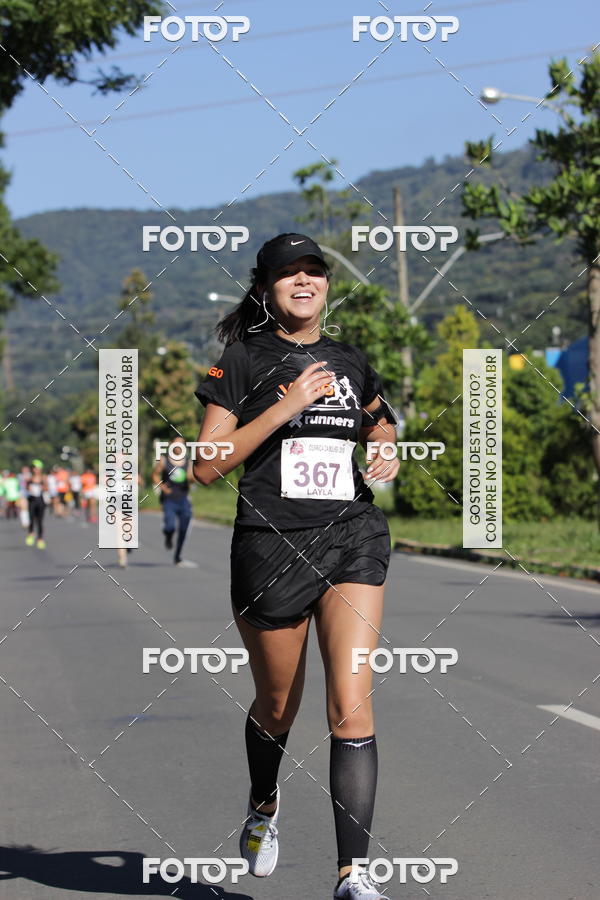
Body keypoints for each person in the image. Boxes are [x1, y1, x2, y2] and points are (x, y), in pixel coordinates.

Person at [193, 233, 400, 900]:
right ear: (267, 287)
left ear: (326, 284)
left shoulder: (349, 360)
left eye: (314, 270)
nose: (304, 280)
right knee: (279, 705)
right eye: (290, 273)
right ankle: (263, 803)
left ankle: (352, 878)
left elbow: (380, 421)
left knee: (351, 703)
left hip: (351, 538)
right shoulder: (242, 360)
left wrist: (386, 451)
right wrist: (285, 406)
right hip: (271, 546)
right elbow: (205, 464)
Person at [152, 436, 197, 568]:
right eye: (176, 445)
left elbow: (192, 478)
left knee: (184, 527)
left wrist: (192, 477)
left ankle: (177, 556)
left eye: (182, 445)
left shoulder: (188, 462)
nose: (179, 447)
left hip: (183, 499)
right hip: (169, 499)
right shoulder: (164, 460)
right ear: (171, 445)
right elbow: (154, 475)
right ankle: (168, 536)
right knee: (170, 526)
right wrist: (162, 487)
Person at [25, 460, 48, 548]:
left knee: (39, 521)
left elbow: (47, 488)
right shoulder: (29, 478)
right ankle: (30, 533)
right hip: (32, 500)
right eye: (34, 468)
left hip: (40, 501)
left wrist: (43, 487)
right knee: (31, 519)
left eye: (37, 468)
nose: (35, 469)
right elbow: (26, 488)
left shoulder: (43, 477)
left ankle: (40, 539)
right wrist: (28, 487)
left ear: (40, 469)